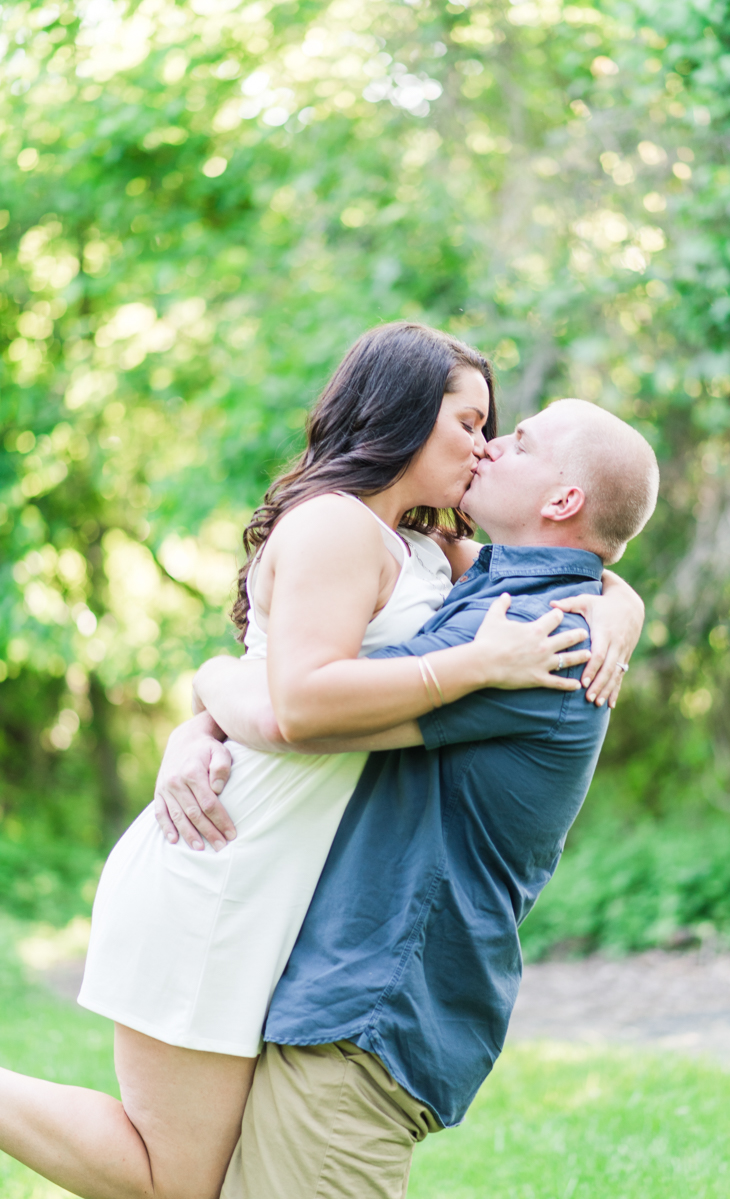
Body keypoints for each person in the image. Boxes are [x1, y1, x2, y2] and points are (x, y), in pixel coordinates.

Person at [0, 328, 640, 1199]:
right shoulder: (349, 530)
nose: (487, 444)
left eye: (503, 432)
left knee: (193, 1180)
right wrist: (206, 696)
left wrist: (620, 602)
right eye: (472, 422)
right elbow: (293, 705)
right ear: (407, 417)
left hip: (282, 889)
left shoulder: (438, 555)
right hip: (228, 856)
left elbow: (572, 557)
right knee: (175, 1180)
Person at [161, 397, 659, 1199]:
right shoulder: (505, 583)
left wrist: (205, 683)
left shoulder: (540, 632)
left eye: (518, 440)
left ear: (562, 500)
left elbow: (308, 716)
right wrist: (623, 596)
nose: (491, 447)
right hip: (344, 990)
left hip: (373, 1003)